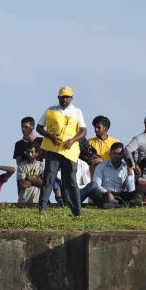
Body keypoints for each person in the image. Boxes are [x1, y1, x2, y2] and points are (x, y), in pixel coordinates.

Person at [37, 86, 86, 216]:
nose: (64, 99)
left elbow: (83, 130)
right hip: (53, 151)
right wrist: (50, 136)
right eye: (62, 97)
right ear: (58, 97)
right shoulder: (50, 110)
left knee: (70, 180)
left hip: (69, 151)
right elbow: (39, 127)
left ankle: (77, 211)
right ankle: (42, 209)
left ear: (71, 98)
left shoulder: (76, 111)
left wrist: (73, 140)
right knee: (48, 178)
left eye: (67, 97)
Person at [94, 142, 141, 206]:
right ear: (110, 154)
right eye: (114, 153)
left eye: (119, 154)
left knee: (137, 193)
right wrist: (107, 192)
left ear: (122, 155)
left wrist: (130, 173)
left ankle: (116, 204)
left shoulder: (127, 167)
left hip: (120, 194)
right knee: (94, 191)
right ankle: (118, 204)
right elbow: (97, 185)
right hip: (105, 194)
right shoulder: (101, 166)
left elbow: (131, 190)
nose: (116, 156)